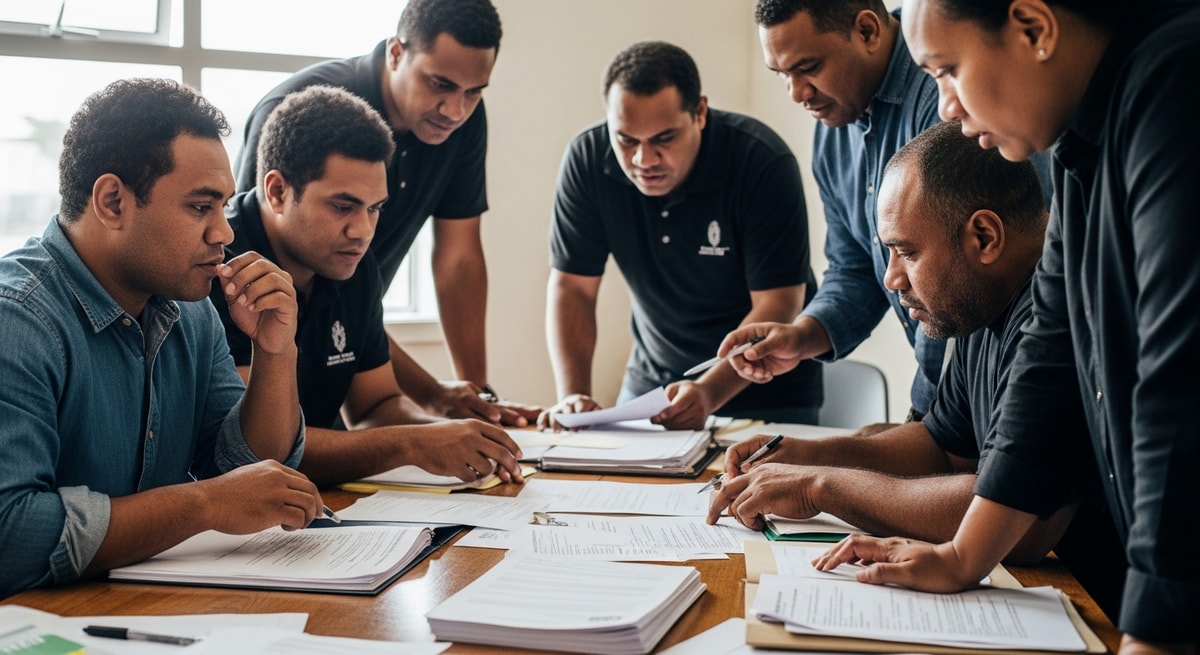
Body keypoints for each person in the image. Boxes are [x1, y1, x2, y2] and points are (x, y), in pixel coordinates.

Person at [813, 1, 1200, 652]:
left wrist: (1154, 630)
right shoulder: (1080, 141)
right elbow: (1054, 346)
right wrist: (963, 556)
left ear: (1033, 28)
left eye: (948, 70)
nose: (945, 107)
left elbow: (1181, 383)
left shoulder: (1175, 83)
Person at [708, 121, 1125, 616]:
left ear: (985, 236)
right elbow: (941, 448)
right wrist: (807, 455)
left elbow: (1022, 523)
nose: (891, 277)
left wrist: (822, 485)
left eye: (906, 251)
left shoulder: (1054, 321)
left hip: (1099, 608)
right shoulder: (982, 304)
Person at [0, 78, 323, 598]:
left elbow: (249, 474)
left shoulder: (187, 311)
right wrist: (205, 503)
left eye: (223, 207)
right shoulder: (16, 320)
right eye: (200, 208)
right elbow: (11, 533)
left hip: (142, 607)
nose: (224, 232)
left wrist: (275, 352)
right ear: (112, 202)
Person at [236, 0, 539, 427]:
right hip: (269, 338)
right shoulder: (304, 115)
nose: (456, 110)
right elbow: (267, 250)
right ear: (396, 53)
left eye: (474, 93)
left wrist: (474, 405)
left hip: (349, 333)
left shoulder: (462, 121)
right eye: (440, 85)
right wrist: (430, 398)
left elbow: (459, 263)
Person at [213, 85, 523, 487]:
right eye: (343, 206)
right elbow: (255, 449)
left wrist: (451, 435)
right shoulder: (218, 265)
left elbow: (376, 405)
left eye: (375, 208)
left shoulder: (352, 263)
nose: (362, 231)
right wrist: (413, 444)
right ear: (278, 191)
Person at [538, 40, 822, 432]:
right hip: (651, 387)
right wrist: (572, 398)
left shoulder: (761, 162)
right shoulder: (587, 160)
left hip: (769, 393)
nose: (643, 160)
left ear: (700, 113)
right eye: (626, 140)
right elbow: (572, 289)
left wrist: (708, 392)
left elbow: (779, 301)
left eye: (664, 139)